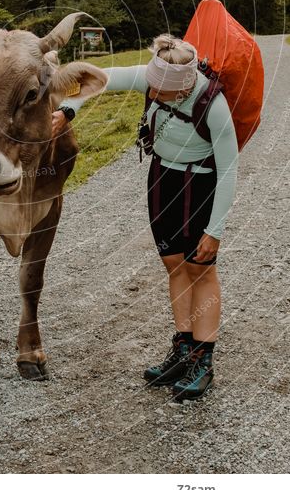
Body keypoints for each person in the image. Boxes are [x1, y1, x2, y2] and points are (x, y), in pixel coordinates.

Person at [52, 34, 238, 401]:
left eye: (160, 93)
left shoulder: (212, 103)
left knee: (201, 268)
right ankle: (184, 350)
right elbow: (103, 80)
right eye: (151, 87)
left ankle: (204, 361)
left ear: (182, 89)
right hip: (162, 180)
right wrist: (68, 109)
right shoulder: (158, 76)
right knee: (174, 264)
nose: (152, 94)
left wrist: (215, 230)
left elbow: (230, 168)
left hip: (199, 185)